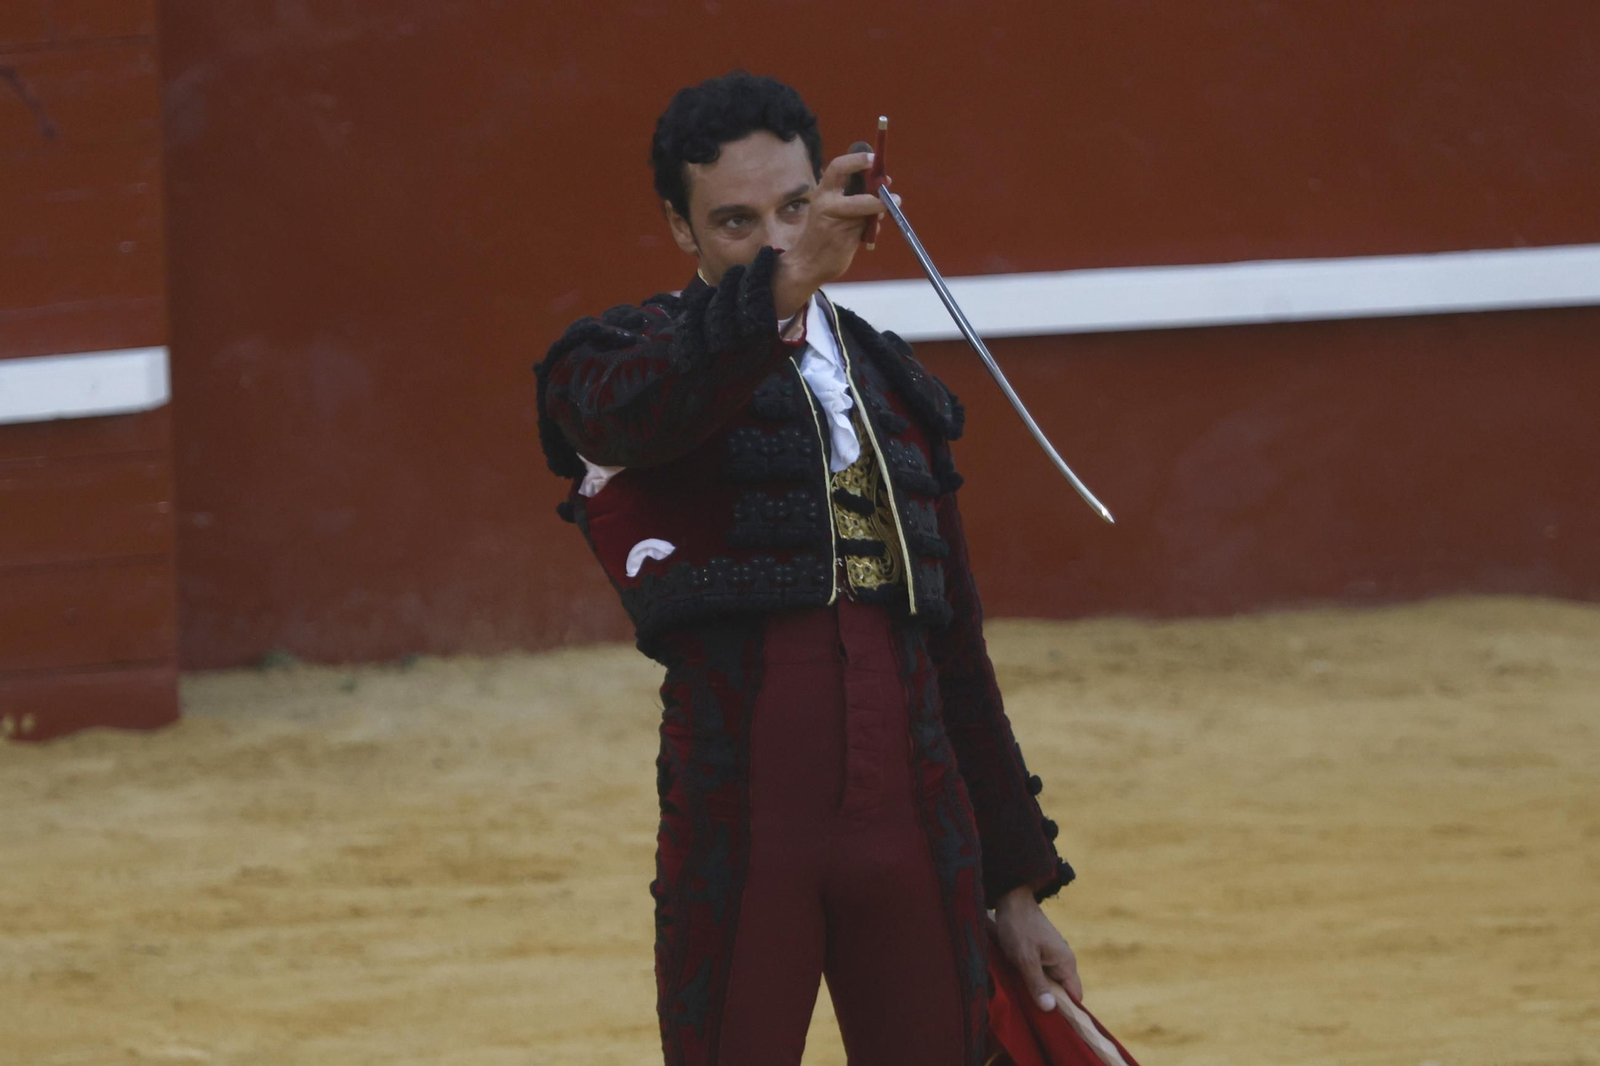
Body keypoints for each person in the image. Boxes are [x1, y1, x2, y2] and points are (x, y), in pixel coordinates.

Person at [535, 71, 1083, 1066]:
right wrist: (777, 288)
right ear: (680, 229)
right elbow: (629, 412)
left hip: (915, 823)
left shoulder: (892, 383)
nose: (778, 241)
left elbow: (955, 651)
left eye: (795, 209)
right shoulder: (620, 358)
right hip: (742, 826)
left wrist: (1013, 884)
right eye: (738, 222)